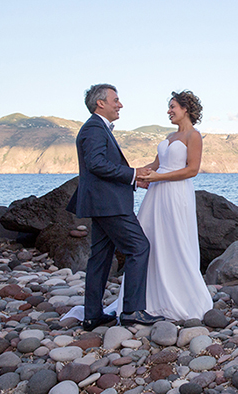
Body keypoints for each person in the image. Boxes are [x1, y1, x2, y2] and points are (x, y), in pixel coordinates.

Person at [106, 90, 214, 320]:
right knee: (150, 241)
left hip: (176, 193)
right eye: (169, 107)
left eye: (173, 106)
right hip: (156, 194)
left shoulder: (193, 136)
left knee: (175, 240)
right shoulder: (169, 136)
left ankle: (180, 296)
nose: (169, 111)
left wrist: (158, 178)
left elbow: (192, 170)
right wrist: (134, 175)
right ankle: (145, 299)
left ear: (185, 109)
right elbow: (156, 164)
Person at [67, 84, 165, 330]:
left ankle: (92, 316)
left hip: (101, 203)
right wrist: (132, 173)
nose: (120, 104)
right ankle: (132, 311)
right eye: (116, 100)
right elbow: (96, 164)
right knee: (139, 247)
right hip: (109, 205)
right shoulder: (94, 128)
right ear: (101, 103)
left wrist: (133, 179)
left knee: (100, 258)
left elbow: (100, 166)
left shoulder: (97, 128)